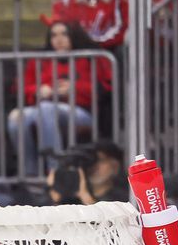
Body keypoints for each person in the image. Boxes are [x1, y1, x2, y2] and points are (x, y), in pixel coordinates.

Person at [6, 20, 108, 177]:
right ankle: (30, 173)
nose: (59, 40)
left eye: (64, 34)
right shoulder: (39, 61)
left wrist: (74, 89)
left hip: (81, 112)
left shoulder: (88, 58)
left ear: (72, 36)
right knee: (16, 117)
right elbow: (20, 88)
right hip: (43, 107)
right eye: (54, 35)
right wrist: (39, 90)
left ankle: (56, 171)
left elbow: (101, 90)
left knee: (47, 108)